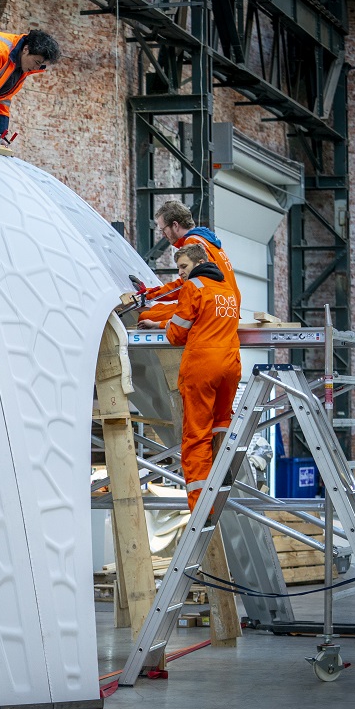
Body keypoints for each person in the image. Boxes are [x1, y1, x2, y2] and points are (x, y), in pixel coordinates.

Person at [163, 243, 242, 510]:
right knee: (221, 422)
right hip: (229, 366)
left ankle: (202, 508)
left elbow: (176, 335)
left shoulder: (193, 287)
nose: (180, 273)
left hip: (202, 367)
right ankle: (222, 469)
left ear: (198, 263)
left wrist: (165, 325)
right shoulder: (227, 289)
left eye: (183, 266)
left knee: (196, 436)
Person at [137, 200, 238, 328]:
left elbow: (186, 284)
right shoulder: (206, 240)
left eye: (164, 230)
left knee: (146, 316)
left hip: (210, 308)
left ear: (175, 225)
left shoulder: (192, 244)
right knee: (155, 310)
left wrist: (148, 294)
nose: (163, 235)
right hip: (224, 307)